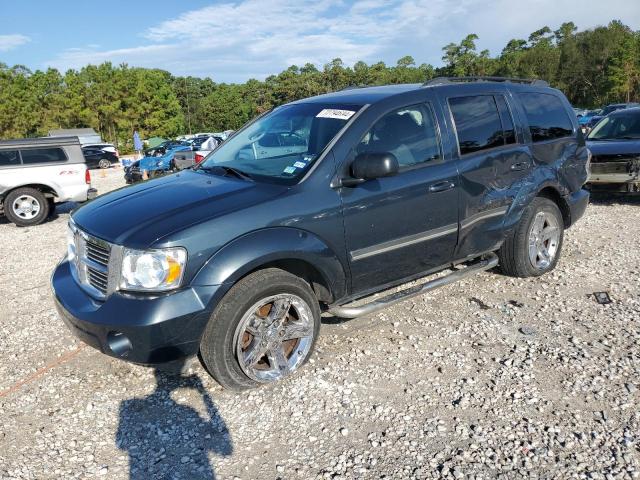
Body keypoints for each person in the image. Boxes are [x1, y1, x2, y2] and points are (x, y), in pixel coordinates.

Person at [116, 361, 232, 479]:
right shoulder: (189, 410)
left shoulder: (128, 406)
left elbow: (121, 444)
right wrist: (204, 394)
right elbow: (226, 450)